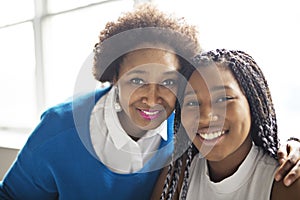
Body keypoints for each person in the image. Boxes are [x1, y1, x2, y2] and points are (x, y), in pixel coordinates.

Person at [0, 3, 299, 199]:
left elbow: (237, 118)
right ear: (114, 77)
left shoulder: (186, 127)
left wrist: (294, 146)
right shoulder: (59, 129)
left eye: (168, 82)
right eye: (137, 79)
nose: (153, 98)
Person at [155, 49, 300, 200]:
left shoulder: (284, 182)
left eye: (223, 99)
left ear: (253, 104)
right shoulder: (178, 175)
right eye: (192, 102)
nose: (205, 117)